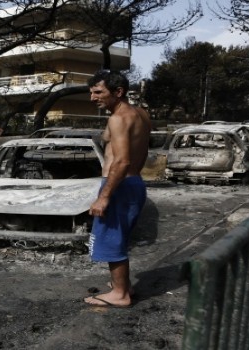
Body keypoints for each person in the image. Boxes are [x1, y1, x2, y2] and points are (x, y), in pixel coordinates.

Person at [83, 70, 151, 308]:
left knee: (110, 241)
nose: (93, 98)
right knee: (119, 239)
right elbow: (136, 151)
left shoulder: (118, 119)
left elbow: (121, 161)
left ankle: (120, 294)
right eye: (91, 92)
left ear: (118, 92)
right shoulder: (140, 114)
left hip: (119, 185)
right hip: (134, 183)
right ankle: (124, 286)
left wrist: (104, 197)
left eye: (99, 92)